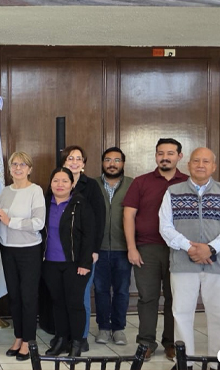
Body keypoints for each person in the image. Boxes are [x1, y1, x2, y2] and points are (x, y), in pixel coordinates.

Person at [159, 147, 220, 360]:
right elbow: (165, 227)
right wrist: (190, 247)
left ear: (214, 166)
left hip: (218, 263)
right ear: (188, 165)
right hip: (183, 263)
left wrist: (210, 248)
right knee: (182, 314)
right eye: (196, 161)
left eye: (206, 161)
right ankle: (184, 361)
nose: (201, 165)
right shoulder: (173, 192)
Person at [122, 138, 187, 361]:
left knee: (174, 298)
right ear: (155, 156)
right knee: (147, 297)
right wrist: (132, 247)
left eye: (170, 153)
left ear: (180, 156)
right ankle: (146, 343)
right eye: (160, 153)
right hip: (146, 248)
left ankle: (171, 343)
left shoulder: (188, 182)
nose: (165, 157)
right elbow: (128, 215)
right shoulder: (141, 182)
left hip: (179, 250)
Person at [0, 151, 45, 360]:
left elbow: (38, 223)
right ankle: (18, 336)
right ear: (9, 169)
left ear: (29, 169)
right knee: (14, 296)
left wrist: (10, 221)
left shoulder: (36, 191)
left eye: (22, 164)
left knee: (28, 297)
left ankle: (28, 341)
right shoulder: (5, 191)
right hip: (7, 249)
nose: (17, 168)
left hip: (29, 250)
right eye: (14, 164)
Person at [42, 167, 96, 357]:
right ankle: (61, 340)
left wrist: (85, 263)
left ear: (72, 184)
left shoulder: (80, 203)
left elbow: (90, 236)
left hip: (75, 263)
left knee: (74, 303)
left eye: (65, 181)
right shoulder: (45, 204)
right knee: (58, 303)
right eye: (56, 180)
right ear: (51, 183)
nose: (60, 184)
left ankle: (77, 343)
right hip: (50, 263)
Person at [59, 145, 106, 350]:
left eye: (79, 158)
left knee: (82, 294)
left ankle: (82, 336)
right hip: (62, 252)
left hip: (85, 251)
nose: (75, 162)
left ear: (84, 164)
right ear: (64, 162)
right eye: (70, 158)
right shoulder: (58, 182)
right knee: (65, 295)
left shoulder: (92, 186)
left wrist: (94, 250)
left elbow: (99, 219)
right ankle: (67, 335)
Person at [93, 147, 134, 346]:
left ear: (123, 164)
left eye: (117, 160)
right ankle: (103, 328)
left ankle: (118, 329)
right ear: (102, 163)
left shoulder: (133, 185)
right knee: (100, 290)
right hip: (98, 248)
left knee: (122, 290)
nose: (112, 164)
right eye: (108, 160)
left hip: (123, 248)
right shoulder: (92, 185)